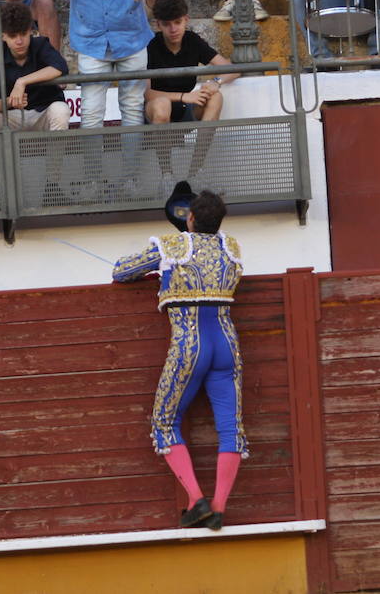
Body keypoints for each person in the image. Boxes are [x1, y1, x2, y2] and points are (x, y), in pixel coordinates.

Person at [112, 189, 245, 530]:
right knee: (231, 428)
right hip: (227, 343)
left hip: (189, 344)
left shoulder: (171, 246)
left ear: (191, 218)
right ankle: (218, 508)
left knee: (164, 422)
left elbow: (122, 271)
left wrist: (160, 272)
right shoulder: (231, 247)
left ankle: (196, 500)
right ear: (219, 221)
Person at [16, 0, 180, 139]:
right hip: (91, 41)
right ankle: (93, 164)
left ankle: (131, 164)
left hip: (132, 38)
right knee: (91, 112)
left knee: (133, 109)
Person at [144, 0, 235, 182]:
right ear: (158, 25)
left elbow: (232, 69)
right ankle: (167, 177)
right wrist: (184, 96)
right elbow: (147, 93)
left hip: (186, 109)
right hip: (157, 113)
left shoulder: (192, 40)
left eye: (177, 22)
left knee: (216, 97)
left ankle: (195, 174)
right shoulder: (150, 45)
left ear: (186, 20)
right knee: (162, 105)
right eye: (167, 24)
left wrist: (215, 81)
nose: (173, 29)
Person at [0, 0, 70, 135]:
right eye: (13, 36)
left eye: (23, 34)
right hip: (11, 117)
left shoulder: (41, 45)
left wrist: (22, 82)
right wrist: (11, 102)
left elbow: (60, 66)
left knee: (61, 110)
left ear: (30, 31)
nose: (19, 41)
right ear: (3, 36)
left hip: (43, 112)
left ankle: (56, 151)